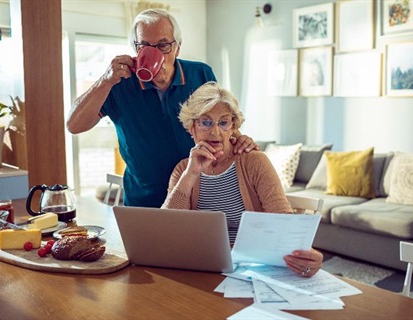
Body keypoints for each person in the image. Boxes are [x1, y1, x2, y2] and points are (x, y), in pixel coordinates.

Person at [66, 9, 256, 207]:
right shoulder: (119, 83)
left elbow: (220, 121)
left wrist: (238, 139)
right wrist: (105, 81)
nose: (154, 53)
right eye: (144, 46)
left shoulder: (200, 74)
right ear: (136, 48)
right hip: (144, 201)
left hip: (199, 197)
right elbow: (74, 125)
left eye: (163, 45)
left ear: (177, 48)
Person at [162, 82, 323, 277]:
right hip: (201, 268)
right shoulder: (183, 170)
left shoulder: (254, 162)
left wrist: (306, 259)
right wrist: (191, 174)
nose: (215, 132)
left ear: (233, 127)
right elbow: (169, 231)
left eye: (223, 122)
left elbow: (282, 220)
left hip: (250, 268)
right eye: (205, 122)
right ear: (191, 128)